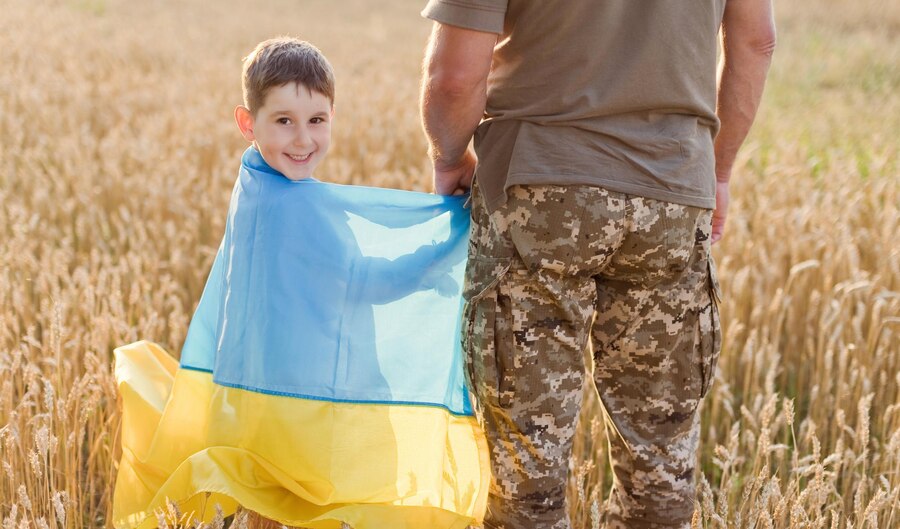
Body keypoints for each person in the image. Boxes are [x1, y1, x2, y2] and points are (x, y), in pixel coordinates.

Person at [420, 1, 775, 528]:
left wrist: (449, 157)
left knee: (526, 475)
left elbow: (454, 78)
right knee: (659, 463)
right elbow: (755, 42)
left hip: (537, 188)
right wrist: (717, 172)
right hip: (674, 191)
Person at [112, 37, 488, 529]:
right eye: (284, 121)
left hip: (266, 395)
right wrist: (437, 249)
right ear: (247, 123)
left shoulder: (257, 183)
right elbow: (364, 283)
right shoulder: (291, 207)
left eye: (316, 120)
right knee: (299, 506)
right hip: (298, 406)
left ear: (333, 118)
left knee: (268, 506)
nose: (303, 139)